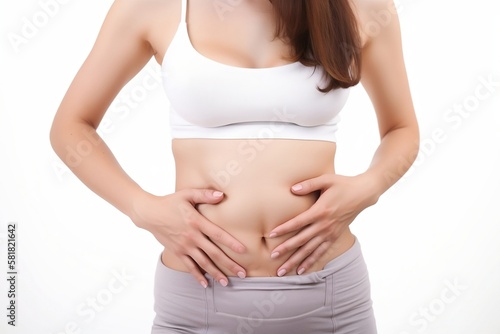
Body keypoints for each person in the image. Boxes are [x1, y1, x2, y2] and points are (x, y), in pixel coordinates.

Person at [50, 0, 419, 332]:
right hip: (199, 301)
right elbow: (70, 128)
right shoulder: (154, 7)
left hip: (331, 299)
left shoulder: (363, 8)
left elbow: (402, 129)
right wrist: (142, 209)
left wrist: (367, 188)